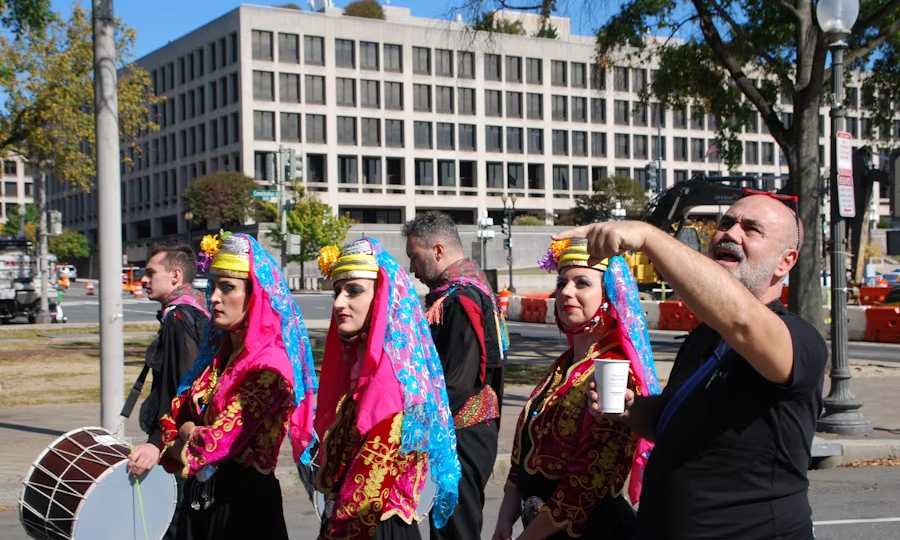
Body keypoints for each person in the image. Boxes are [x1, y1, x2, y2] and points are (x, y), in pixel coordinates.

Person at [573, 193, 827, 540]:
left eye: (751, 229)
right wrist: (631, 409)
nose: (731, 234)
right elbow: (670, 424)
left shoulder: (798, 339)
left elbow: (742, 320)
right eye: (726, 223)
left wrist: (648, 237)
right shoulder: (703, 337)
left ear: (785, 262)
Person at [492, 239, 660, 540]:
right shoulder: (564, 364)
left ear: (609, 295)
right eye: (561, 282)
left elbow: (588, 481)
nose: (566, 292)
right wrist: (506, 517)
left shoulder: (615, 372)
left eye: (582, 283)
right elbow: (524, 450)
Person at [159, 233, 318, 540]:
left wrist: (187, 430)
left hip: (243, 510)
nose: (214, 297)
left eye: (227, 287)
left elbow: (217, 442)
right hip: (202, 503)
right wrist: (187, 429)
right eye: (214, 286)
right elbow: (172, 416)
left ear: (255, 295)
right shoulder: (218, 356)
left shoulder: (270, 366)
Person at [314, 238, 460, 540]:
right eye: (337, 291)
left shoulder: (395, 384)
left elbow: (361, 497)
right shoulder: (367, 371)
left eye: (353, 291)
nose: (339, 302)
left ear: (381, 297)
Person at [402, 211, 507, 540]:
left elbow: (456, 383)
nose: (412, 270)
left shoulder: (460, 300)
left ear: (436, 251)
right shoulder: (471, 290)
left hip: (461, 434)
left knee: (454, 530)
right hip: (465, 431)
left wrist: (411, 424)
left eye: (414, 258)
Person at [128, 244, 210, 539]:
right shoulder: (193, 311)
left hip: (177, 449)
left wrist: (155, 442)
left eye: (150, 273)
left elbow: (182, 389)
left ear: (175, 276)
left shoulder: (179, 319)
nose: (143, 280)